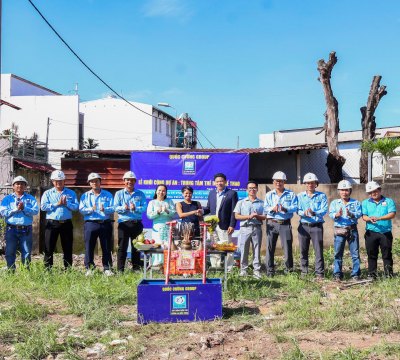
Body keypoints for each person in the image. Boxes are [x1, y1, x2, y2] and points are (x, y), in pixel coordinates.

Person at [40, 170, 79, 269]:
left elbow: (76, 207)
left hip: (66, 224)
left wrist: (67, 204)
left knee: (67, 247)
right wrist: (56, 204)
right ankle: (47, 269)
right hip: (52, 223)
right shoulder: (47, 193)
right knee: (49, 247)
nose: (58, 183)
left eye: (61, 180)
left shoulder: (71, 193)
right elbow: (43, 207)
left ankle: (68, 269)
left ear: (64, 181)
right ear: (52, 181)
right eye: (56, 181)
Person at [79, 173, 115, 276]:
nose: (94, 183)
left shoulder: (107, 194)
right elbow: (81, 209)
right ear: (89, 183)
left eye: (96, 181)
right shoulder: (85, 196)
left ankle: (107, 268)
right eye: (92, 181)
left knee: (106, 247)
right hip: (91, 223)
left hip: (105, 223)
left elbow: (113, 208)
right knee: (89, 246)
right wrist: (91, 209)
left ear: (100, 182)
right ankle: (90, 268)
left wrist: (106, 209)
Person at [0, 176, 39, 270]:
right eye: (17, 183)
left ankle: (25, 272)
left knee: (26, 252)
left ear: (25, 186)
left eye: (22, 184)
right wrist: (16, 209)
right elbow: (3, 212)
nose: (20, 185)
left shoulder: (30, 199)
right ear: (13, 186)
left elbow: (35, 211)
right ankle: (10, 270)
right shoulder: (7, 199)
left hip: (26, 230)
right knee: (10, 251)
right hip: (11, 229)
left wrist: (24, 208)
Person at [263, 171, 298, 277]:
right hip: (272, 223)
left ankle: (289, 270)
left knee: (287, 247)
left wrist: (285, 208)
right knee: (270, 248)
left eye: (281, 181)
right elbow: (265, 208)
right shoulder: (269, 195)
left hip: (285, 224)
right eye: (276, 181)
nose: (278, 183)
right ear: (273, 182)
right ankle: (270, 271)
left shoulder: (291, 194)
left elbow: (295, 207)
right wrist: (272, 209)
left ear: (284, 182)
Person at [329, 180, 362, 281]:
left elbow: (359, 214)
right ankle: (337, 274)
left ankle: (355, 274)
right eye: (342, 190)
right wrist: (336, 215)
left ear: (350, 191)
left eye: (346, 190)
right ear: (339, 191)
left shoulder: (355, 202)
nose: (344, 192)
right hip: (340, 230)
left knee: (355, 253)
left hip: (352, 230)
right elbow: (331, 214)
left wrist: (351, 214)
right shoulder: (335, 203)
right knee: (338, 253)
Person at [362, 181, 396, 279]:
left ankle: (388, 275)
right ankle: (372, 275)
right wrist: (369, 219)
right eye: (370, 192)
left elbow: (392, 214)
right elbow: (364, 216)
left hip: (385, 232)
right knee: (371, 254)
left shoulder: (389, 201)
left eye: (375, 191)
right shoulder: (365, 203)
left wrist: (379, 218)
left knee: (387, 254)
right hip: (371, 232)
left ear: (380, 190)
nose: (373, 193)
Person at [203, 173, 238, 268]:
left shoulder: (232, 193)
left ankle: (229, 267)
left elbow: (234, 211)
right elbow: (209, 208)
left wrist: (232, 225)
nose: (219, 183)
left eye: (221, 181)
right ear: (214, 183)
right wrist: (201, 211)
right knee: (214, 246)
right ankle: (216, 267)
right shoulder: (212, 193)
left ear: (225, 182)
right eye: (217, 181)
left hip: (225, 225)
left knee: (227, 246)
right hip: (213, 226)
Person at [114, 171, 147, 272]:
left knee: (137, 247)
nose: (130, 182)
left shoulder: (140, 193)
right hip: (124, 224)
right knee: (122, 247)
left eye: (132, 180)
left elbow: (144, 207)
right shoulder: (119, 193)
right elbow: (115, 207)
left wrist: (135, 208)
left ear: (135, 181)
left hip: (136, 223)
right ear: (124, 181)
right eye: (128, 180)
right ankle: (120, 270)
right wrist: (125, 208)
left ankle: (136, 268)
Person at [297, 173, 328, 279]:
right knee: (303, 249)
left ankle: (319, 273)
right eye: (308, 183)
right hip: (303, 225)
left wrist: (314, 212)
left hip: (316, 226)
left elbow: (324, 210)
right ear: (305, 184)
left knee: (318, 250)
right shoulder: (300, 196)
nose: (310, 184)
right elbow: (297, 209)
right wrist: (303, 213)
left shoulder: (322, 196)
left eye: (312, 183)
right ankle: (304, 272)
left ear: (316, 184)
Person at [234, 181, 266, 279]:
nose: (252, 190)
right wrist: (249, 216)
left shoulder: (261, 203)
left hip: (256, 228)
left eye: (254, 188)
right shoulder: (241, 202)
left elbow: (265, 216)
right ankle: (243, 270)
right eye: (250, 188)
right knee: (244, 250)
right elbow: (236, 216)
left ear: (257, 189)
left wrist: (257, 216)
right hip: (245, 228)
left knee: (256, 250)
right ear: (246, 190)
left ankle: (256, 270)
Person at [146, 184, 176, 267]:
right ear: (156, 191)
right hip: (157, 227)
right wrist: (158, 212)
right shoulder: (152, 202)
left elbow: (173, 213)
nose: (161, 192)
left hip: (167, 226)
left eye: (163, 191)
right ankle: (156, 264)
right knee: (157, 244)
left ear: (166, 192)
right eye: (159, 190)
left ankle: (168, 264)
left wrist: (167, 210)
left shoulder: (169, 201)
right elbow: (149, 215)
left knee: (167, 244)